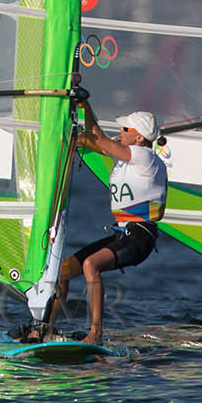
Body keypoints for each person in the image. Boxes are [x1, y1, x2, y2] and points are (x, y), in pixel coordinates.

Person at [25, 104, 167, 345]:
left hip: (140, 237)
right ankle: (45, 330)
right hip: (122, 233)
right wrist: (67, 134)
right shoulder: (128, 157)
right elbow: (93, 141)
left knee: (91, 264)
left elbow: (99, 139)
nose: (120, 131)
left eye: (125, 129)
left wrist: (85, 107)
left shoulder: (145, 157)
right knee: (63, 271)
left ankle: (95, 334)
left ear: (140, 137)